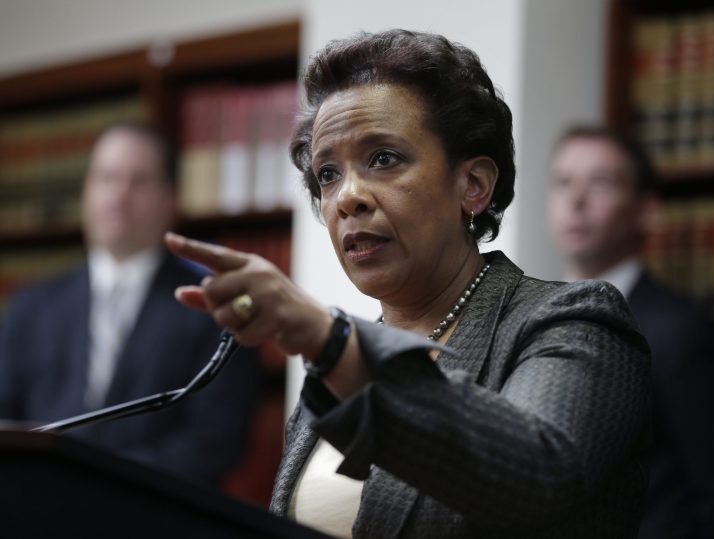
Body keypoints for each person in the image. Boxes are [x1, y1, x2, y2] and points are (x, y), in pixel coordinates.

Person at [164, 30, 651, 538]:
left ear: (473, 186)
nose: (348, 197)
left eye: (383, 158)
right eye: (327, 174)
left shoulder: (572, 321)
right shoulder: (336, 371)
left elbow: (536, 478)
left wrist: (329, 340)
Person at [0, 123, 259, 486]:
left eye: (138, 181)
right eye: (106, 178)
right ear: (86, 192)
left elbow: (217, 439)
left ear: (169, 198)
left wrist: (104, 486)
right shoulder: (31, 306)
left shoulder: (213, 305)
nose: (119, 194)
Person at [547, 125, 714, 538]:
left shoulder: (685, 336)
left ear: (645, 210)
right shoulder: (534, 317)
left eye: (601, 183)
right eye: (563, 182)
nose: (576, 200)